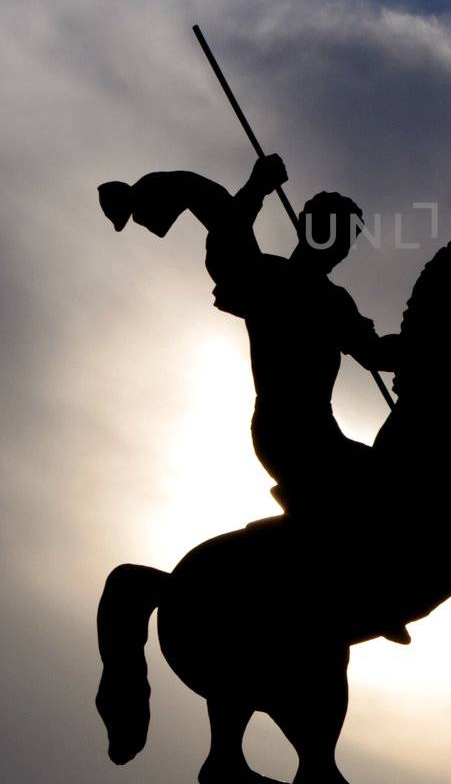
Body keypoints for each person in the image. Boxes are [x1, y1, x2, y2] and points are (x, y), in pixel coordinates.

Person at [99, 155, 399, 520]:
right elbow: (224, 229)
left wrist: (434, 347)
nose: (340, 245)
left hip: (318, 432)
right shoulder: (269, 277)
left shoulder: (333, 300)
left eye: (346, 238)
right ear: (308, 227)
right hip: (288, 432)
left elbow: (376, 353)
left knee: (392, 482)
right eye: (335, 230)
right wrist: (258, 187)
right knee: (387, 491)